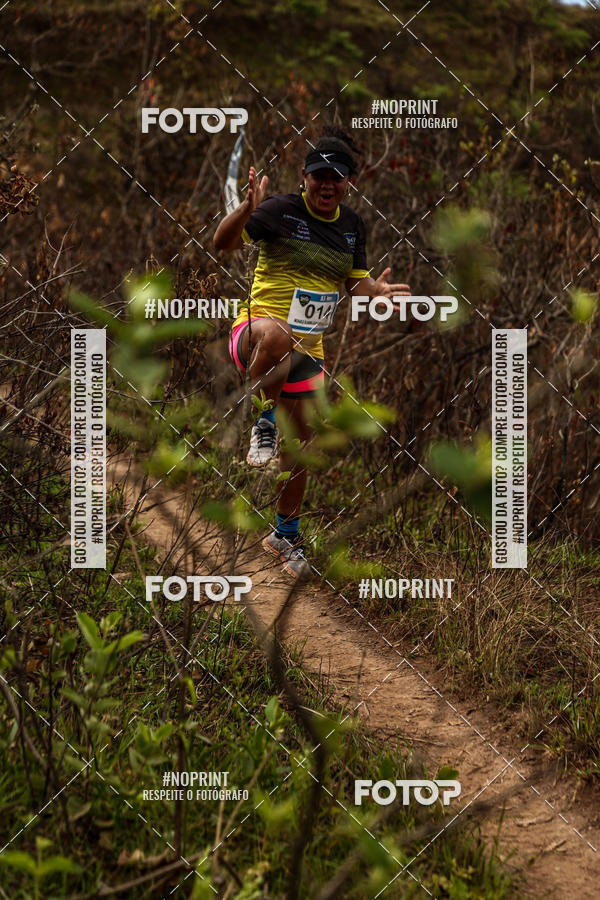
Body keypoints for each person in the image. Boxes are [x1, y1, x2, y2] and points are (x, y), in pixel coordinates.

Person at [214, 127, 410, 578]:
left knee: (301, 447)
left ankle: (284, 534)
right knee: (280, 337)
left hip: (309, 348)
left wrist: (374, 290)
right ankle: (262, 420)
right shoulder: (279, 210)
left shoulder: (351, 226)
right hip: (257, 335)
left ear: (348, 183)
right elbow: (221, 244)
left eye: (336, 177)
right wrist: (245, 210)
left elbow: (354, 283)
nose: (327, 184)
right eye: (318, 175)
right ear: (303, 176)